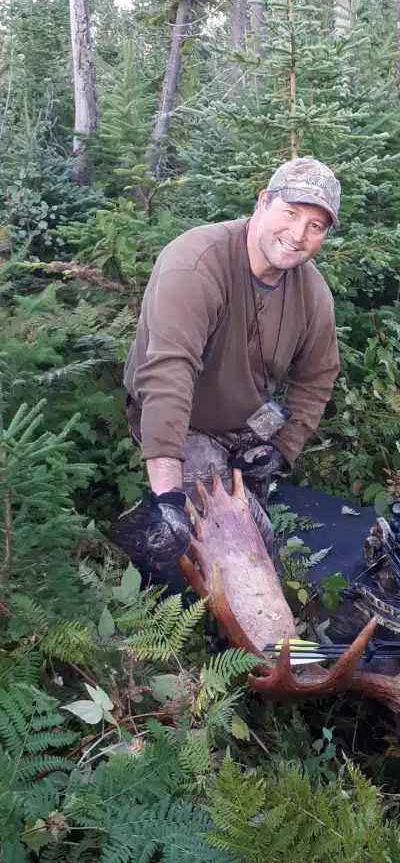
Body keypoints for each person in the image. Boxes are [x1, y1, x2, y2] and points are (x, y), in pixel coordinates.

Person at [109, 157, 342, 584]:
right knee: (251, 540)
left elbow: (318, 375)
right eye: (290, 213)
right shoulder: (196, 264)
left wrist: (281, 448)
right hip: (186, 418)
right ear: (262, 203)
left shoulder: (313, 294)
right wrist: (169, 497)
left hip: (248, 422)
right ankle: (156, 544)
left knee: (242, 511)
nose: (298, 235)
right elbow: (167, 376)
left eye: (316, 226)